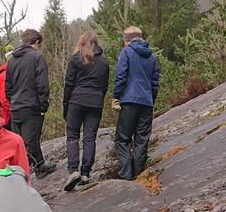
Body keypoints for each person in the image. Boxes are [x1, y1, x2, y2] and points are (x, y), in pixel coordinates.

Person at [62, 31, 110, 191]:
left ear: (81, 43)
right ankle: (85, 173)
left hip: (76, 100)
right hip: (95, 102)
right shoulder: (103, 62)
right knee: (90, 138)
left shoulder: (76, 59)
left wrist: (66, 105)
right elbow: (104, 85)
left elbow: (69, 84)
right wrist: (98, 98)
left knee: (72, 137)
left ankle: (73, 171)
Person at [113, 25, 160, 181]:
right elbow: (155, 82)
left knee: (122, 139)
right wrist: (151, 100)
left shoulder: (126, 52)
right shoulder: (152, 57)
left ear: (127, 41)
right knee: (142, 139)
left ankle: (126, 176)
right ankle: (139, 175)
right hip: (146, 102)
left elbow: (121, 76)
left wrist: (116, 96)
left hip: (129, 101)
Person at [6, 29, 55, 176]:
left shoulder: (12, 60)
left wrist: (12, 101)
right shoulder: (37, 57)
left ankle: (40, 166)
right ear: (37, 42)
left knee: (24, 141)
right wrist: (43, 106)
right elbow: (42, 84)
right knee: (29, 143)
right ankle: (19, 176)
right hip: (31, 106)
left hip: (16, 107)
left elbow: (7, 86)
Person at [0, 50, 13, 129]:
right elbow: (4, 98)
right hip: (5, 115)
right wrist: (12, 110)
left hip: (2, 113)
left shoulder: (2, 72)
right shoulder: (6, 74)